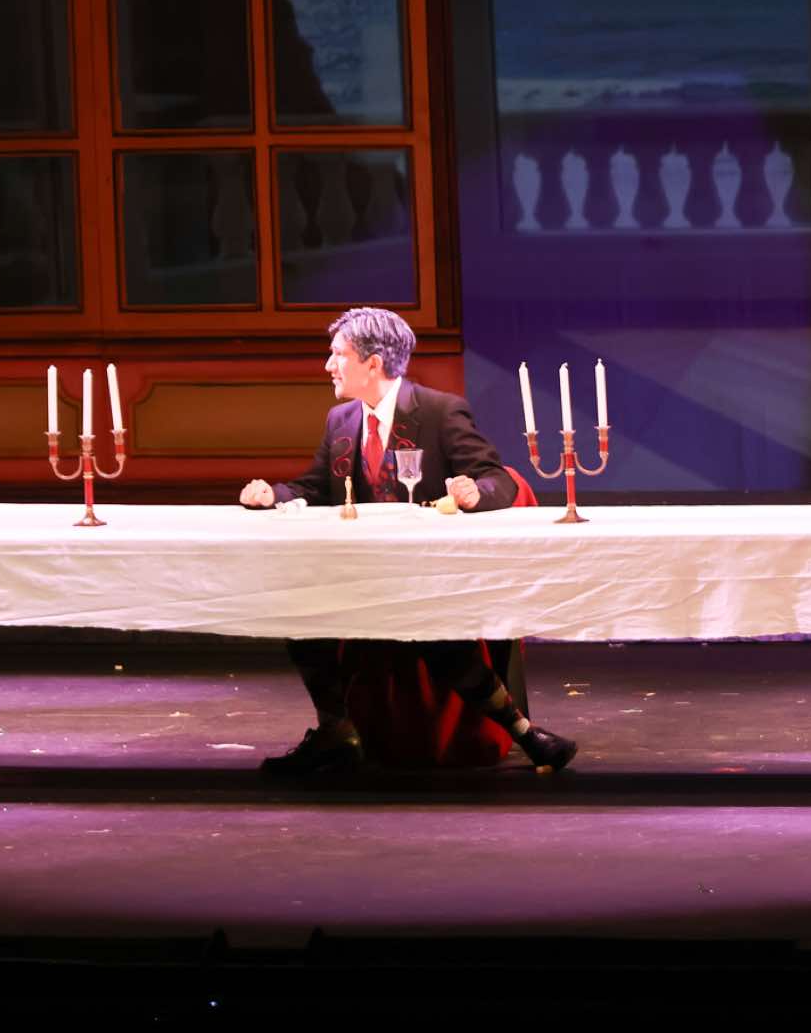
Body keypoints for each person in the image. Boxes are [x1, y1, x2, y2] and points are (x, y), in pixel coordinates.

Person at [238, 306, 578, 778]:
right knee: (299, 613)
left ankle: (525, 733)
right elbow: (314, 488)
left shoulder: (439, 411)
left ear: (372, 363)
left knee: (434, 628)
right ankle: (337, 732)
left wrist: (475, 492)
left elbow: (496, 478)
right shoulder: (341, 419)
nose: (329, 365)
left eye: (338, 354)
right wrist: (271, 495)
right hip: (360, 574)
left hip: (427, 574)